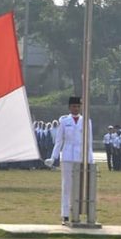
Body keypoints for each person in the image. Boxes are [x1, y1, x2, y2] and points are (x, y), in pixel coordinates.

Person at [44, 96, 94, 224]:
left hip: (80, 157)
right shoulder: (64, 121)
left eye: (78, 106)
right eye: (73, 106)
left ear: (81, 107)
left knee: (79, 187)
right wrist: (53, 157)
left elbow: (89, 142)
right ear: (69, 107)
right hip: (67, 156)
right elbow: (59, 141)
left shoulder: (86, 121)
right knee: (66, 186)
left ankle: (76, 213)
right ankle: (65, 214)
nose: (76, 109)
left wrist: (90, 159)